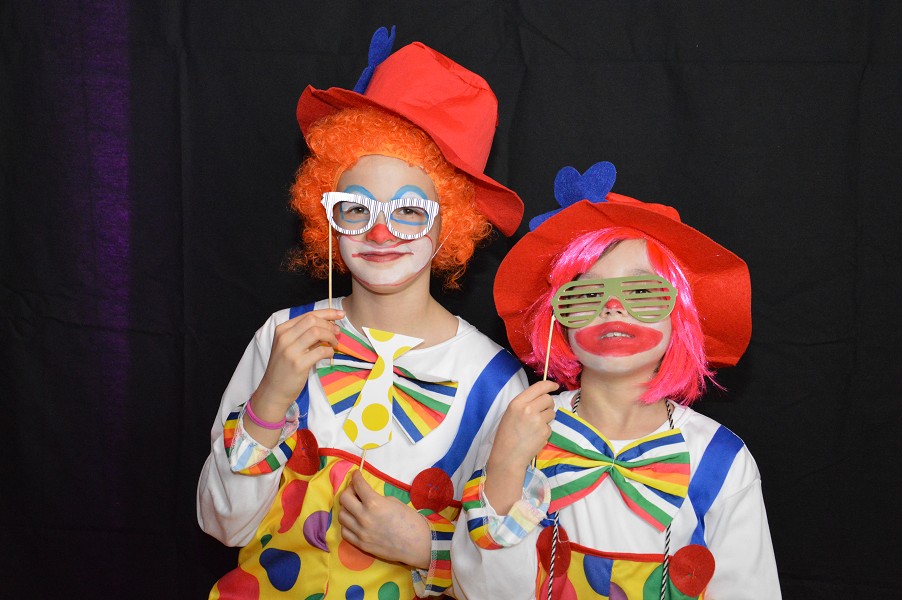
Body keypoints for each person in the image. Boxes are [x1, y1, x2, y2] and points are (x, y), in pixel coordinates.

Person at [197, 28, 527, 599]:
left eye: (408, 211)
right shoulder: (282, 336)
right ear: (324, 213)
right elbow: (222, 525)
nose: (379, 232)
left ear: (450, 223)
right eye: (355, 208)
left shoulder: (494, 382)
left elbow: (511, 584)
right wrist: (270, 402)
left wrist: (428, 550)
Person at [452, 162, 780, 599]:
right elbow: (481, 591)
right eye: (585, 294)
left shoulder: (720, 460)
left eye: (642, 292)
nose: (612, 307)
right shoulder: (519, 432)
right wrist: (507, 467)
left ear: (681, 315)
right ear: (557, 321)